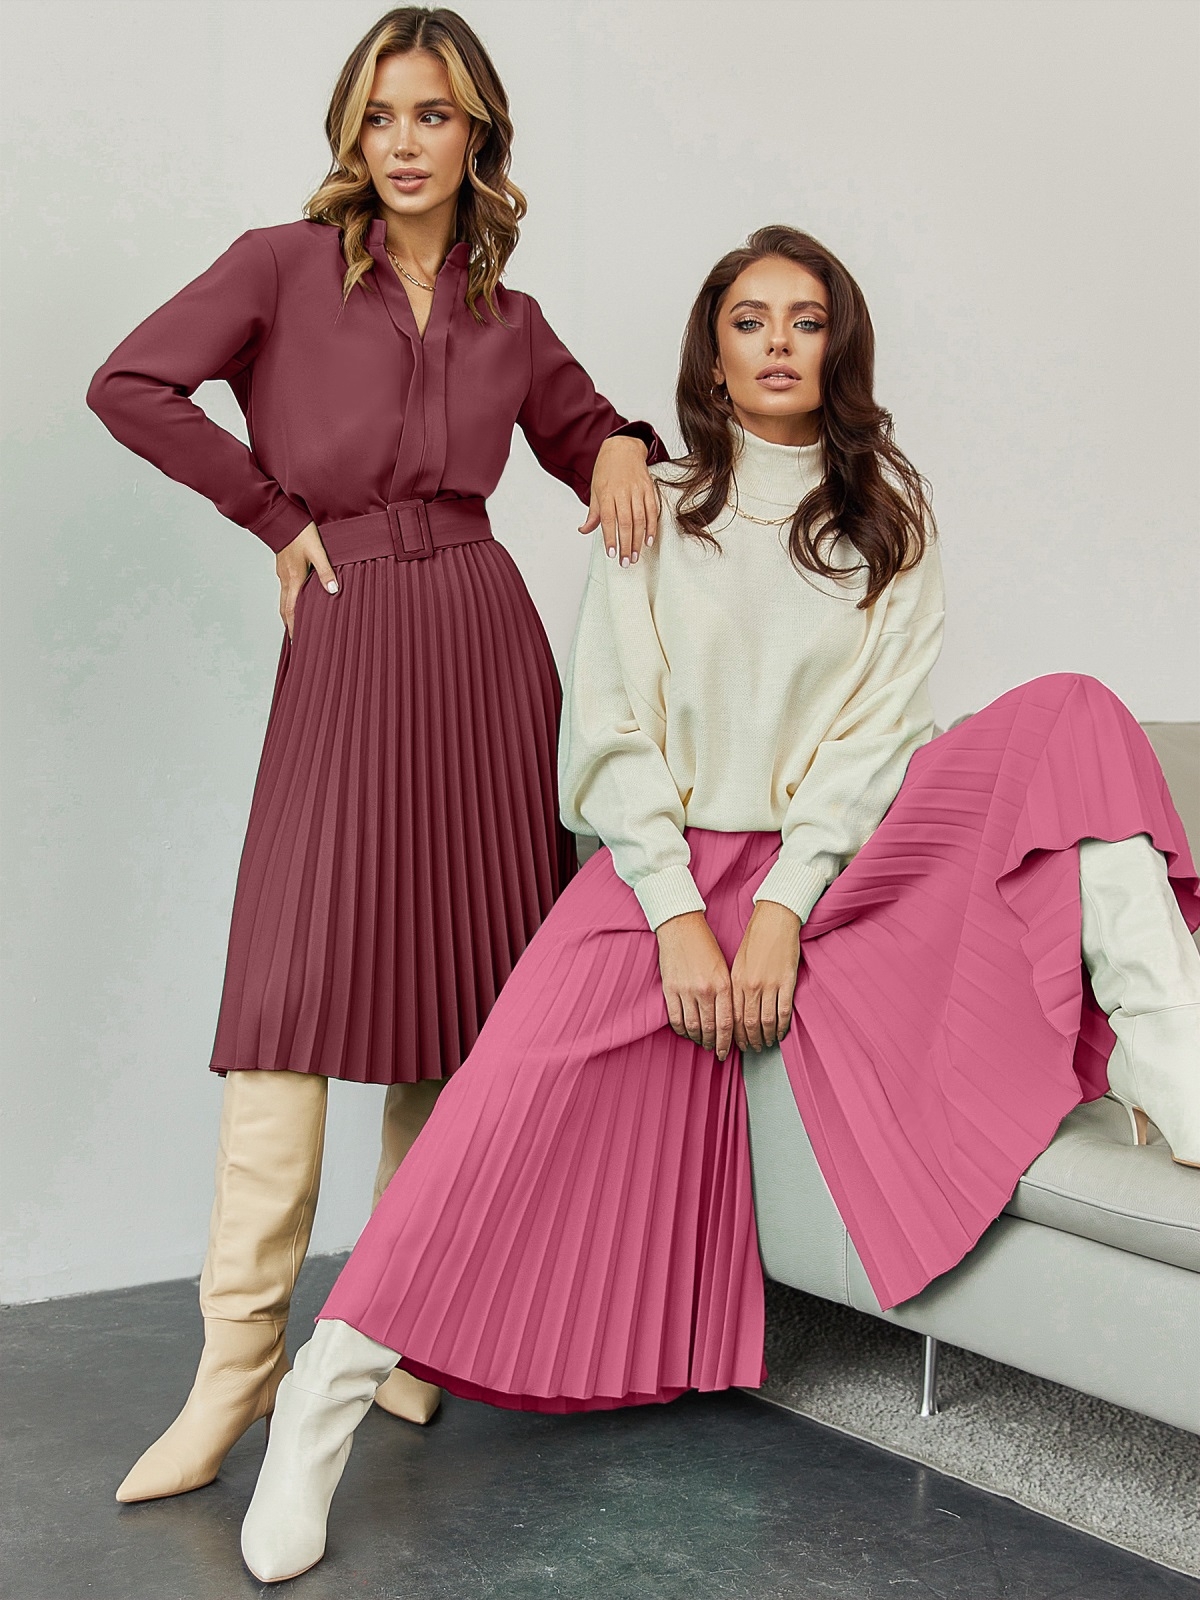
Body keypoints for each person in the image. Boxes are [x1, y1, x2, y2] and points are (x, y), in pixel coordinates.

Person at [237, 225, 1200, 1584]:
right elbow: (610, 729)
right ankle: (320, 1402)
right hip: (665, 867)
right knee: (492, 1112)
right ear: (713, 351)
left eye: (805, 319)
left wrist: (789, 907)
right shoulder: (655, 505)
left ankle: (1176, 1066)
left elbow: (875, 743)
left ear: (839, 344)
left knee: (1074, 718)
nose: (778, 344)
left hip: (838, 874)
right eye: (750, 320)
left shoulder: (891, 519)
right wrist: (679, 912)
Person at [85, 6, 664, 1504]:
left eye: (435, 115)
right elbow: (130, 384)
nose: (405, 143)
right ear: (351, 131)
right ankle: (235, 1373)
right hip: (349, 630)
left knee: (458, 1007)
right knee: (289, 999)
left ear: (480, 136)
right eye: (382, 115)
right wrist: (272, 517)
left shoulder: (506, 313)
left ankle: (401, 1333)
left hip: (484, 647)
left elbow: (591, 428)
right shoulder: (279, 266)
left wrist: (618, 442)